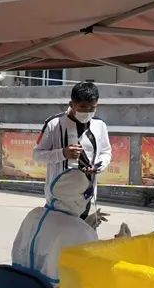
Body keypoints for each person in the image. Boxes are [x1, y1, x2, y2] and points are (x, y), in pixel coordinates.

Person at [12, 169, 98, 288]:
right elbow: (97, 274)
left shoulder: (33, 215)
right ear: (78, 199)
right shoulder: (79, 230)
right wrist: (119, 243)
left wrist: (83, 226)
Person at [32, 81, 111, 223]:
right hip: (59, 198)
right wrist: (63, 153)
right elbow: (37, 155)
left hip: (86, 196)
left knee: (85, 234)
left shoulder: (100, 125)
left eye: (92, 108)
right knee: (59, 235)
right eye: (82, 107)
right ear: (71, 104)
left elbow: (106, 152)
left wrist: (99, 166)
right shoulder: (54, 124)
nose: (87, 112)